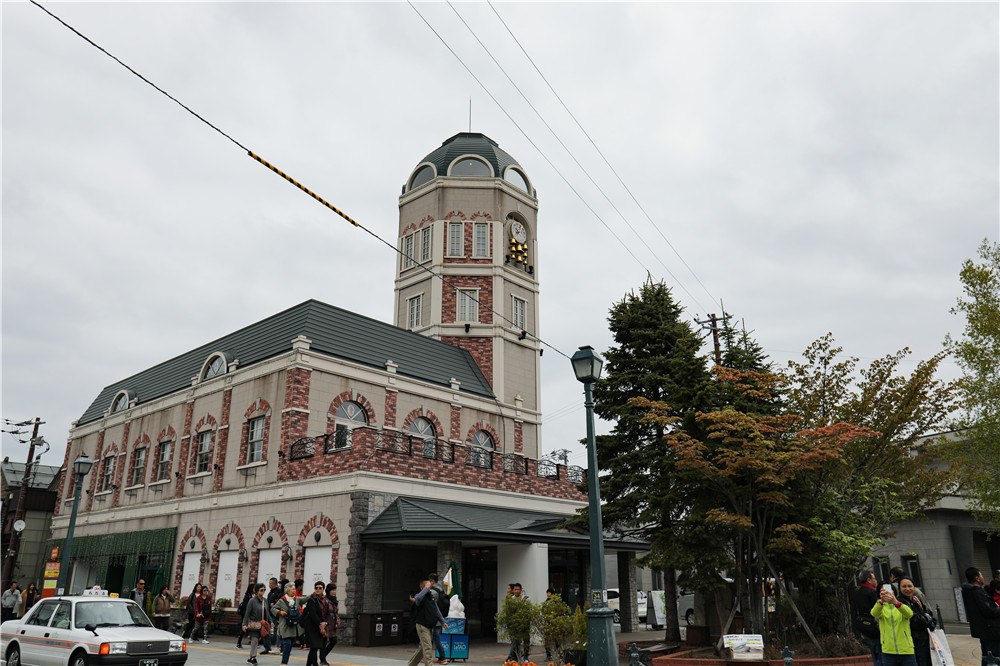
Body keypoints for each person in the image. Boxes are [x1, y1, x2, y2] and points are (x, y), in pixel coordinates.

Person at [961, 567, 1000, 666]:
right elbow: (987, 610)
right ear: (977, 578)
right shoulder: (976, 592)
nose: (983, 577)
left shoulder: (969, 591)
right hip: (990, 630)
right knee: (993, 657)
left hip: (984, 630)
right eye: (981, 575)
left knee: (987, 656)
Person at [871, 582, 916, 666]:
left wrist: (896, 603)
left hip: (906, 650)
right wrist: (881, 601)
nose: (886, 593)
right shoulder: (880, 607)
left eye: (888, 591)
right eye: (883, 592)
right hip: (888, 651)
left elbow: (909, 614)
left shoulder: (901, 605)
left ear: (894, 592)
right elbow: (874, 613)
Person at [406, 578, 448, 666]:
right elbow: (417, 598)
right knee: (428, 647)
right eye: (427, 586)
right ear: (422, 587)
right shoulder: (419, 596)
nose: (429, 588)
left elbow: (436, 610)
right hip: (422, 626)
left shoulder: (431, 597)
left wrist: (443, 621)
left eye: (430, 586)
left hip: (430, 626)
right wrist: (426, 588)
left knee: (422, 649)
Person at [898, 577, 934, 666]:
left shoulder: (916, 600)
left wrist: (926, 619)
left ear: (914, 587)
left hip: (924, 641)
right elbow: (914, 620)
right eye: (904, 586)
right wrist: (926, 618)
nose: (907, 589)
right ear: (899, 588)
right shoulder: (900, 603)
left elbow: (931, 616)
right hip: (913, 642)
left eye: (910, 586)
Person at [853, 570, 882, 666]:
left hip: (863, 625)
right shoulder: (872, 592)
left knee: (873, 651)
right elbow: (877, 610)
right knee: (879, 652)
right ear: (868, 580)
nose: (876, 581)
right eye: (874, 578)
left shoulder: (857, 592)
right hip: (874, 625)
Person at [272, 582, 305, 666]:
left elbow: (305, 599)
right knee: (288, 643)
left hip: (293, 626)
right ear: (287, 590)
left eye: (295, 589)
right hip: (285, 626)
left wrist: (314, 593)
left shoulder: (296, 599)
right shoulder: (282, 600)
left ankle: (284, 661)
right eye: (293, 589)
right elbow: (273, 609)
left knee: (290, 644)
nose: (294, 591)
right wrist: (280, 612)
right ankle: (283, 663)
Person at [242, 583, 272, 666]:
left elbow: (267, 613)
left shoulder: (265, 601)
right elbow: (247, 614)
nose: (263, 592)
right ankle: (254, 657)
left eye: (264, 590)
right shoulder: (252, 601)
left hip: (262, 625)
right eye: (261, 590)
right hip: (253, 624)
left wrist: (271, 621)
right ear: (257, 591)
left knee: (256, 641)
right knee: (254, 640)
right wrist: (244, 624)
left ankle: (249, 658)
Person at [301, 582, 327, 666]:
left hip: (320, 627)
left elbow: (329, 614)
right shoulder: (311, 600)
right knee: (314, 647)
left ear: (323, 589)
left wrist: (325, 623)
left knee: (314, 648)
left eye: (320, 588)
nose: (318, 590)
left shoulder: (325, 601)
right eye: (316, 588)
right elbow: (313, 614)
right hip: (311, 627)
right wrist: (321, 624)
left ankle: (308, 665)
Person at [428, 573, 448, 664]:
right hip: (439, 618)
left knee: (433, 638)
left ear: (432, 581)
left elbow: (433, 607)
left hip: (434, 618)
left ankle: (442, 658)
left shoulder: (433, 591)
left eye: (429, 581)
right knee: (433, 638)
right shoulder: (440, 589)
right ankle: (441, 658)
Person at [507, 584, 528, 663]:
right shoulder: (511, 600)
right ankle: (514, 657)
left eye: (517, 589)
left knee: (525, 640)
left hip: (523, 623)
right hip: (514, 624)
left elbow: (527, 610)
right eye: (515, 590)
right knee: (515, 641)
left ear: (521, 590)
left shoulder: (525, 599)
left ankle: (525, 657)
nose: (516, 591)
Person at [320, 583, 340, 666]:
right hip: (326, 623)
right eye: (332, 590)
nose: (334, 592)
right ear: (328, 591)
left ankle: (322, 657)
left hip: (333, 624)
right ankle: (323, 659)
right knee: (324, 642)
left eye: (335, 590)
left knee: (333, 641)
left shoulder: (335, 600)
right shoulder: (325, 600)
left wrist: (338, 621)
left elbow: (336, 613)